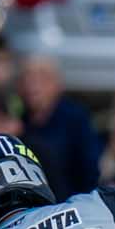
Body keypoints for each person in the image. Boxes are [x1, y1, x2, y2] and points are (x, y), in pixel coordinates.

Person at [18, 54, 101, 198]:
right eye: (26, 78)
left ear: (58, 84)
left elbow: (89, 171)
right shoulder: (17, 120)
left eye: (42, 78)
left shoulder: (75, 118)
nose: (32, 85)